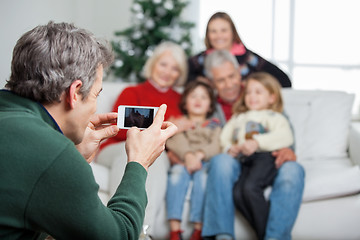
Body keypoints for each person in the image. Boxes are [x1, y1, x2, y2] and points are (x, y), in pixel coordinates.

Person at [0, 22, 177, 239]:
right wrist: (139, 163)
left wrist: (72, 156)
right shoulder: (52, 152)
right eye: (96, 95)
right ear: (75, 93)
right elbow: (118, 235)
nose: (95, 107)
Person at [202, 50, 305, 240]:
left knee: (293, 170)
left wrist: (286, 150)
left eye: (231, 76)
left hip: (266, 157)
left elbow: (283, 129)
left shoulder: (257, 91)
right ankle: (222, 235)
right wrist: (228, 148)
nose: (229, 84)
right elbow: (218, 139)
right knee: (222, 163)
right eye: (221, 80)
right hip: (237, 159)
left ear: (239, 71)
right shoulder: (209, 106)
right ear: (212, 83)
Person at [97, 41, 192, 236]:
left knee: (154, 156)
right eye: (163, 64)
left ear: (179, 74)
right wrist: (166, 123)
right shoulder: (132, 92)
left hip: (158, 152)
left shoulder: (182, 100)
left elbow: (189, 132)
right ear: (153, 64)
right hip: (118, 147)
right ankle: (119, 226)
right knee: (135, 153)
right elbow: (120, 130)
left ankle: (141, 233)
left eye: (174, 68)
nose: (167, 71)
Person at [221, 72, 294, 239]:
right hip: (244, 161)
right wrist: (229, 148)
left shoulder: (274, 117)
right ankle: (267, 235)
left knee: (250, 188)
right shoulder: (238, 117)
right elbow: (225, 137)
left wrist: (257, 142)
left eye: (258, 92)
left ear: (272, 97)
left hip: (265, 158)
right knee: (238, 193)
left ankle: (267, 235)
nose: (252, 96)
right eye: (248, 92)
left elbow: (285, 137)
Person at [165, 81, 222, 240]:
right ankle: (175, 231)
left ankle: (198, 229)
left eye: (203, 97)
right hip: (183, 162)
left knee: (203, 178)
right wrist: (189, 155)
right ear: (185, 102)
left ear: (210, 106)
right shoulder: (178, 122)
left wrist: (199, 155)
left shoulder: (214, 125)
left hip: (205, 162)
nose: (198, 100)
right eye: (193, 96)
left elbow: (217, 145)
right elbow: (174, 140)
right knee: (176, 173)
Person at [187, 11, 291, 88]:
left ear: (233, 33)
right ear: (208, 35)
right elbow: (179, 75)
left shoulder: (249, 58)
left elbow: (284, 81)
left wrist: (252, 85)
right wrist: (200, 81)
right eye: (213, 31)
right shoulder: (202, 59)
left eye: (223, 30)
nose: (219, 36)